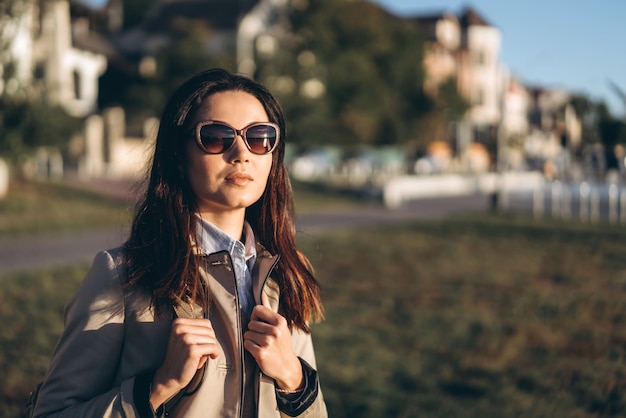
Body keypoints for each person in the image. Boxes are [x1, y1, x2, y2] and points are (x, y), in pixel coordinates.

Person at [31, 68, 327, 418]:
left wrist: (295, 381)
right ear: (178, 155)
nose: (241, 153)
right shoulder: (122, 275)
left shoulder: (289, 272)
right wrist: (157, 387)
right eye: (216, 137)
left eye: (259, 138)